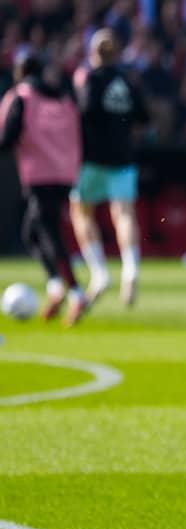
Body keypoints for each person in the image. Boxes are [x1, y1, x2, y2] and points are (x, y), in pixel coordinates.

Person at [0, 52, 89, 326]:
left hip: (40, 174)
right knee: (32, 232)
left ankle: (75, 291)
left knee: (48, 232)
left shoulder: (22, 97)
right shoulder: (64, 98)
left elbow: (8, 137)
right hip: (65, 173)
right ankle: (56, 286)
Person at [69, 28, 150, 306]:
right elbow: (144, 116)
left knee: (82, 211)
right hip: (123, 157)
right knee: (124, 213)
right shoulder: (126, 81)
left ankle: (99, 272)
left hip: (92, 158)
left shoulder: (89, 79)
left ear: (93, 52)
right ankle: (131, 268)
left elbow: (84, 111)